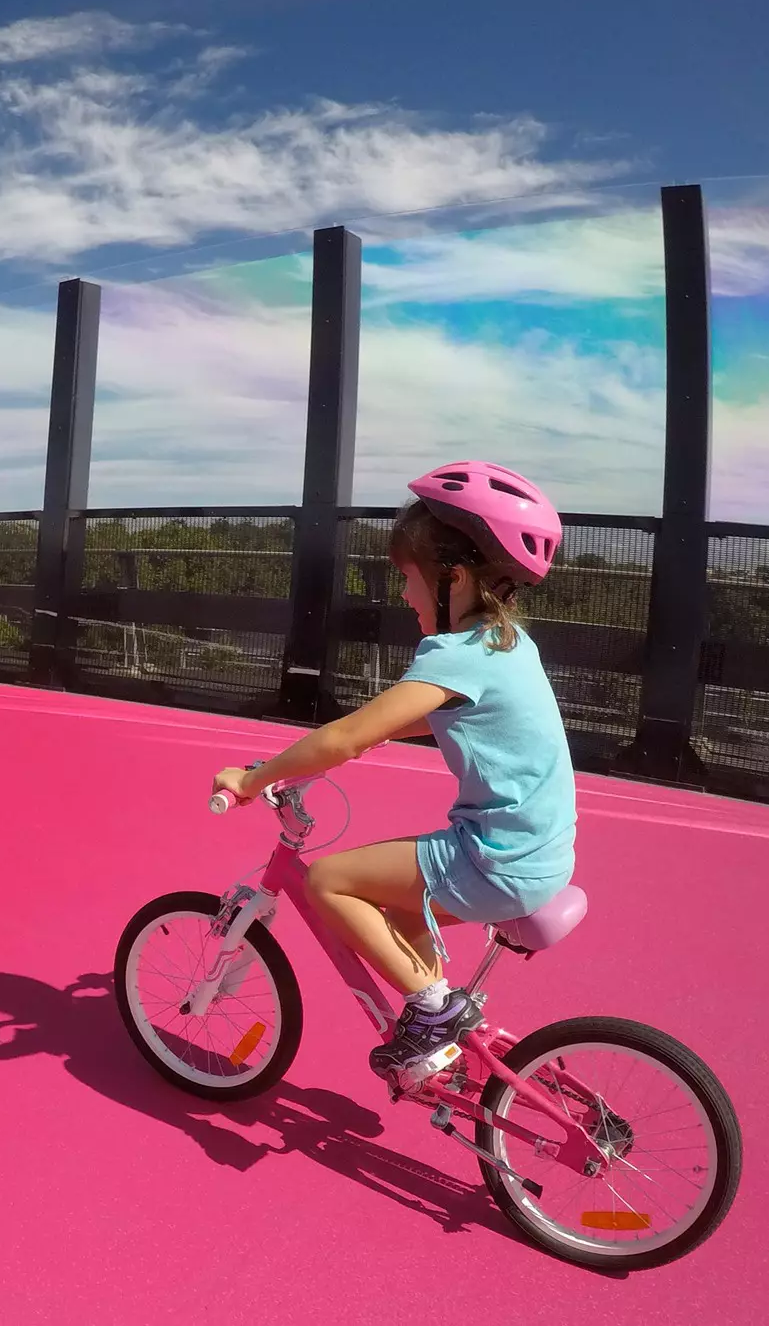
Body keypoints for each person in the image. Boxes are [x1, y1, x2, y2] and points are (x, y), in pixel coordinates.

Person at [213, 461, 577, 1083]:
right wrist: (370, 736)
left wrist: (253, 780)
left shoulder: (456, 655)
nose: (403, 595)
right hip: (543, 856)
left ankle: (434, 1012)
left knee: (328, 881)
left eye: (407, 578)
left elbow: (348, 736)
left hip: (496, 860)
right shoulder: (507, 644)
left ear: (452, 578)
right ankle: (440, 1035)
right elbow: (425, 719)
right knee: (397, 911)